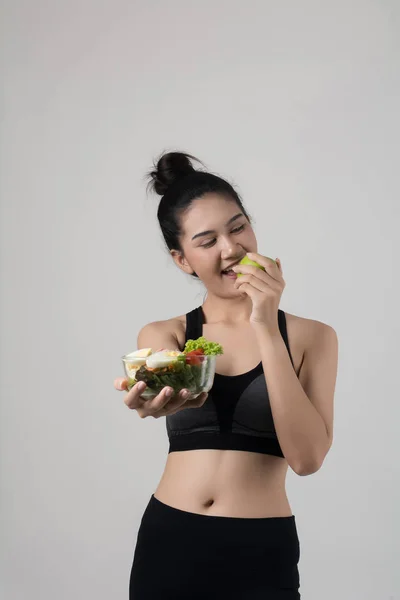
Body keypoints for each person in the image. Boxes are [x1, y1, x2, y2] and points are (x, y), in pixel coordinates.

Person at [114, 151, 339, 600]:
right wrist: (153, 398)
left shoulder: (313, 337)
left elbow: (307, 459)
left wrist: (264, 323)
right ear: (183, 260)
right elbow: (174, 387)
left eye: (238, 227)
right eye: (206, 239)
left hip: (260, 551)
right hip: (170, 539)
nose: (231, 248)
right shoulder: (168, 333)